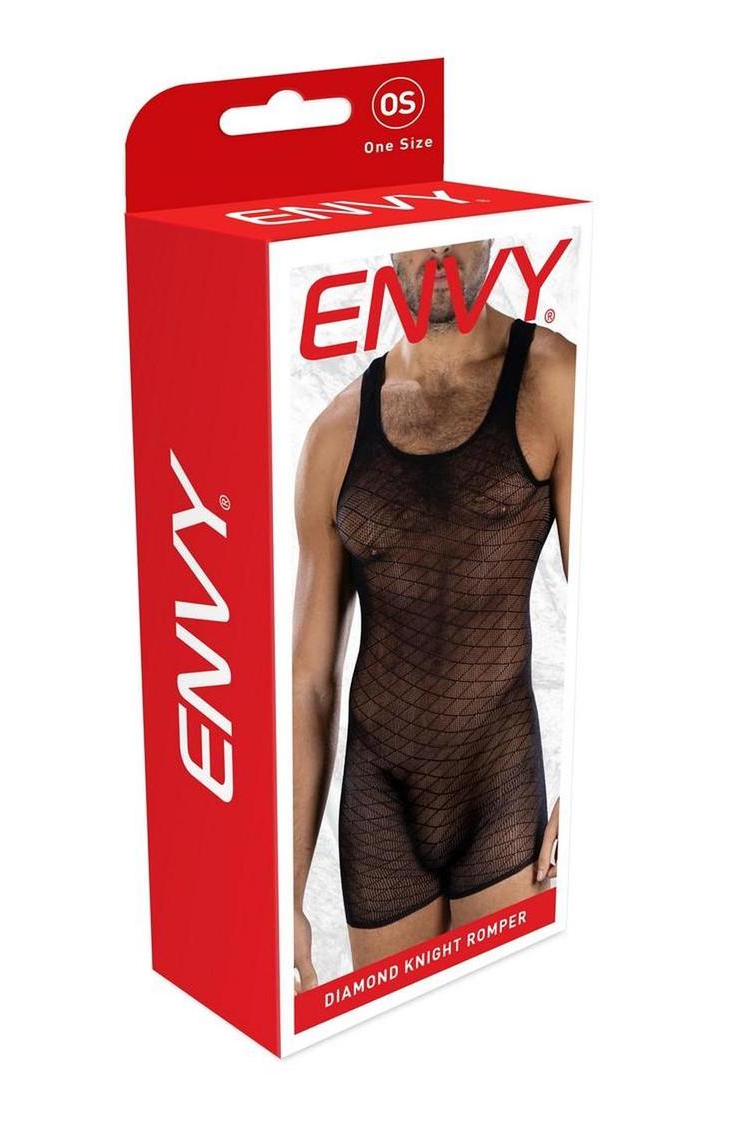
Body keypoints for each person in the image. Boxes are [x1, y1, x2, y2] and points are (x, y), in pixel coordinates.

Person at [292, 240, 575, 992]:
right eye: (424, 233)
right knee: (389, 1038)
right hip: (377, 804)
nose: (442, 250)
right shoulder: (334, 433)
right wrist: (284, 892)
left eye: (460, 231)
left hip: (500, 784)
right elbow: (310, 681)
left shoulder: (554, 379)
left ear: (492, 233)